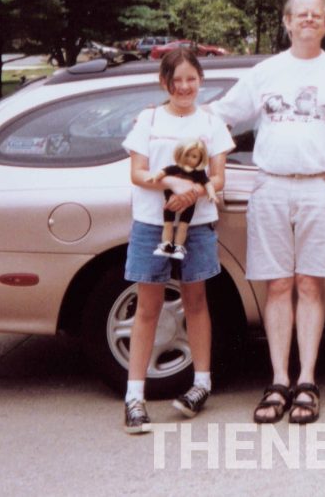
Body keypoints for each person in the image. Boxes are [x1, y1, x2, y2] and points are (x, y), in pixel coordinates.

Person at [210, 0, 325, 425]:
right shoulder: (265, 72)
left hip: (319, 188)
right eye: (301, 14)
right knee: (278, 285)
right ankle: (278, 381)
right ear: (287, 21)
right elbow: (221, 117)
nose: (309, 20)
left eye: (317, 14)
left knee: (311, 284)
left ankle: (308, 381)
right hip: (271, 186)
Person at [121, 49, 235, 433]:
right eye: (177, 81)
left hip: (197, 224)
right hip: (151, 223)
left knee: (196, 301)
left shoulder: (211, 121)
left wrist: (194, 192)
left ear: (200, 80)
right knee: (148, 305)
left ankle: (201, 384)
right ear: (164, 83)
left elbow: (218, 177)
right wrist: (170, 181)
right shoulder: (148, 120)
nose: (185, 87)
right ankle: (134, 396)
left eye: (191, 79)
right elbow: (137, 173)